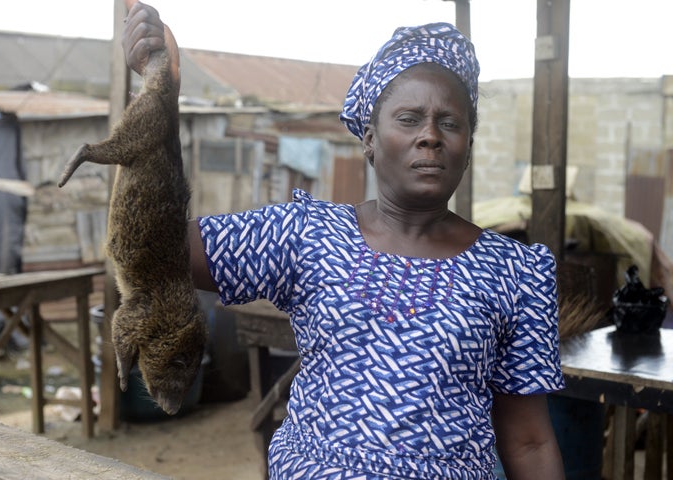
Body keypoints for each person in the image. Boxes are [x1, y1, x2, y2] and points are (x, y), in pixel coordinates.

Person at [122, 3, 566, 479]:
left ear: (468, 146)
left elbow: (530, 441)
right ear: (370, 140)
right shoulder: (307, 235)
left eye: (451, 123)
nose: (431, 137)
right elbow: (153, 247)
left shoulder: (514, 273)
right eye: (410, 118)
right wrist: (158, 99)